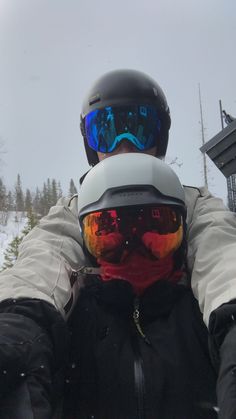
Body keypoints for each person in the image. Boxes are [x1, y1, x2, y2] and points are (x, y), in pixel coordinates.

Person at [0, 68, 235, 417]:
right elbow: (42, 264)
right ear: (91, 144)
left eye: (140, 129)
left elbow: (223, 258)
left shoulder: (192, 206)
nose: (124, 145)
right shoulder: (73, 213)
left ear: (160, 137)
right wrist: (18, 326)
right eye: (107, 131)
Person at [62, 153, 217, 419]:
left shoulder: (204, 318)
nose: (134, 253)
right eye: (111, 238)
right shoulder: (71, 324)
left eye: (156, 230)